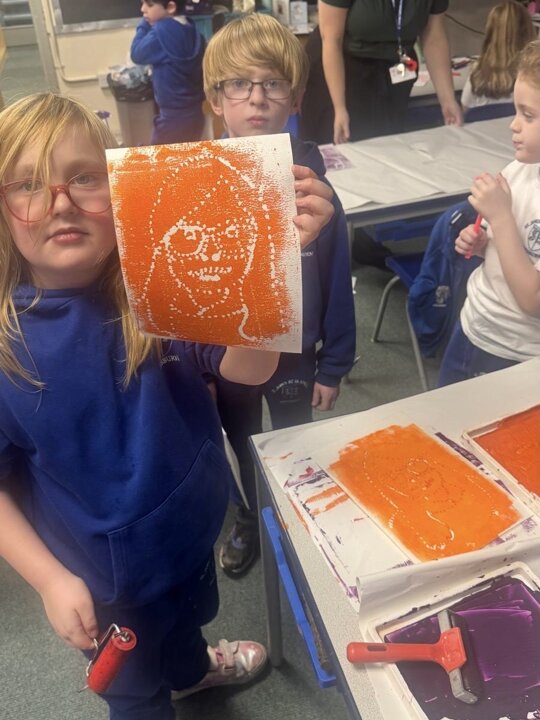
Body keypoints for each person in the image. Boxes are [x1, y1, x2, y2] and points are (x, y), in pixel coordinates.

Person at [0, 92, 335, 720]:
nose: (61, 202)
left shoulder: (159, 283)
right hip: (102, 582)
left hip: (189, 528)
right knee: (135, 694)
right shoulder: (7, 346)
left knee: (187, 625)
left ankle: (192, 669)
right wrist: (48, 579)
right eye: (27, 185)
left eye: (84, 177)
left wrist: (274, 258)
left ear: (121, 190)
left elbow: (247, 370)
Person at [203, 13, 357, 576]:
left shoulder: (315, 189)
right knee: (240, 441)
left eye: (272, 83)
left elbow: (337, 278)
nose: (256, 98)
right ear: (216, 99)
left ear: (293, 98)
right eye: (238, 84)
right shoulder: (197, 183)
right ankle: (249, 514)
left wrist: (334, 365)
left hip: (296, 353)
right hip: (227, 358)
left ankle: (296, 514)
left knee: (294, 443)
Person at [438, 40, 540, 387]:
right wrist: (484, 245)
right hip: (476, 327)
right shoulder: (519, 170)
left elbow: (532, 299)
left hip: (518, 354)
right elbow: (512, 250)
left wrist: (500, 218)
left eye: (528, 116)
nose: (514, 125)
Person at [300, 0, 463, 146]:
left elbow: (434, 36)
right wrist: (340, 108)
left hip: (393, 69)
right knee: (339, 146)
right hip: (339, 69)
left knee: (387, 146)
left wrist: (447, 100)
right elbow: (331, 40)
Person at [130, 0, 206, 144]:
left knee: (161, 157)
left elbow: (136, 54)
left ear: (170, 7)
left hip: (172, 118)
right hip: (195, 115)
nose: (143, 9)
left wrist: (144, 24)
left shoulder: (161, 32)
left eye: (149, 5)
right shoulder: (191, 28)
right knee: (187, 154)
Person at [460, 0, 535, 116]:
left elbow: (464, 110)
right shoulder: (534, 74)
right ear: (528, 30)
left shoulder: (478, 73)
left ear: (491, 34)